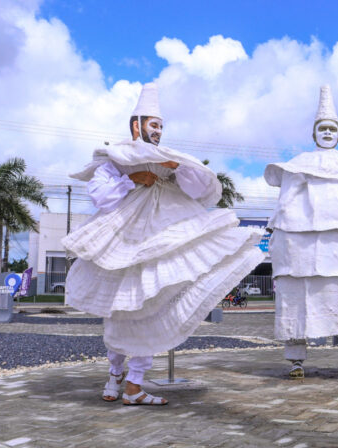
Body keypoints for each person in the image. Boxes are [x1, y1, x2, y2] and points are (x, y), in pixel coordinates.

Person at [63, 83, 265, 405]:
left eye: (161, 126)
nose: (157, 131)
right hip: (123, 240)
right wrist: (132, 178)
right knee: (119, 309)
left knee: (150, 308)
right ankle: (115, 375)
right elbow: (100, 194)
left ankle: (135, 383)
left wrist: (178, 168)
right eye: (153, 125)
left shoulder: (170, 160)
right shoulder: (117, 160)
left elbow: (199, 190)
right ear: (136, 125)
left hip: (163, 233)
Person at [264, 85, 338, 380]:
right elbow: (287, 199)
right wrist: (282, 231)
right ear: (314, 133)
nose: (327, 133)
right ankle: (296, 360)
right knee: (298, 296)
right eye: (322, 128)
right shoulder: (300, 163)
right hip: (303, 245)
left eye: (332, 129)